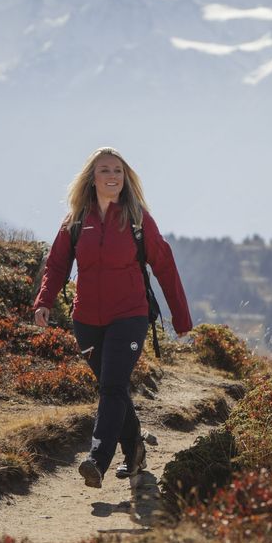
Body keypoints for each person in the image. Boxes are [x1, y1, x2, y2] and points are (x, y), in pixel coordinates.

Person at [34, 146, 193, 489]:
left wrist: (181, 319)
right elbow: (58, 264)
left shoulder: (137, 219)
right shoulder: (76, 220)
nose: (113, 177)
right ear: (92, 178)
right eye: (105, 170)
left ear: (126, 178)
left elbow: (164, 266)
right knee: (113, 388)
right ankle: (134, 449)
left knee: (112, 386)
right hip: (87, 320)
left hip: (130, 315)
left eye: (118, 171)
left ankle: (97, 459)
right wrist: (44, 301)